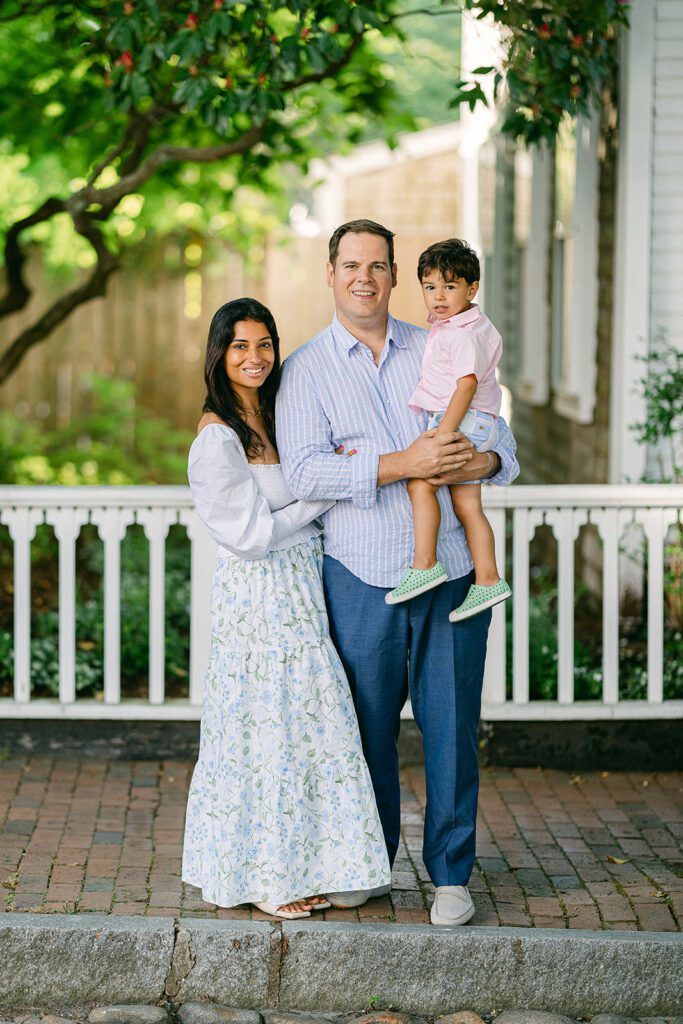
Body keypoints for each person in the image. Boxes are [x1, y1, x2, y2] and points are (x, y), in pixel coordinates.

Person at [276, 220, 519, 926]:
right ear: (330, 273)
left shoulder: (439, 341)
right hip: (360, 575)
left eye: (378, 265)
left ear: (393, 276)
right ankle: (367, 861)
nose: (365, 278)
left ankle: (450, 875)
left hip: (448, 573)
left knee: (450, 728)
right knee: (363, 729)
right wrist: (398, 466)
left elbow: (498, 435)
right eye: (351, 264)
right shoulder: (306, 369)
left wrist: (486, 462)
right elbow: (304, 470)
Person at [182, 296, 390, 921]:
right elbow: (247, 536)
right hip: (260, 598)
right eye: (240, 346)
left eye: (265, 344)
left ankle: (321, 861)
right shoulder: (215, 439)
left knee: (309, 726)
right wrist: (325, 498)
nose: (255, 357)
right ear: (220, 354)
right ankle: (266, 875)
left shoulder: (277, 414)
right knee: (266, 728)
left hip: (303, 586)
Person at [385, 238, 511, 621]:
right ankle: (488, 579)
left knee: (420, 482)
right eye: (430, 287)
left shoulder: (458, 334)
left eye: (450, 286)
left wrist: (444, 433)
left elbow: (467, 384)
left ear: (472, 289)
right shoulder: (476, 324)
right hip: (482, 422)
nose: (438, 297)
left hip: (462, 420)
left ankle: (425, 565)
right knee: (468, 506)